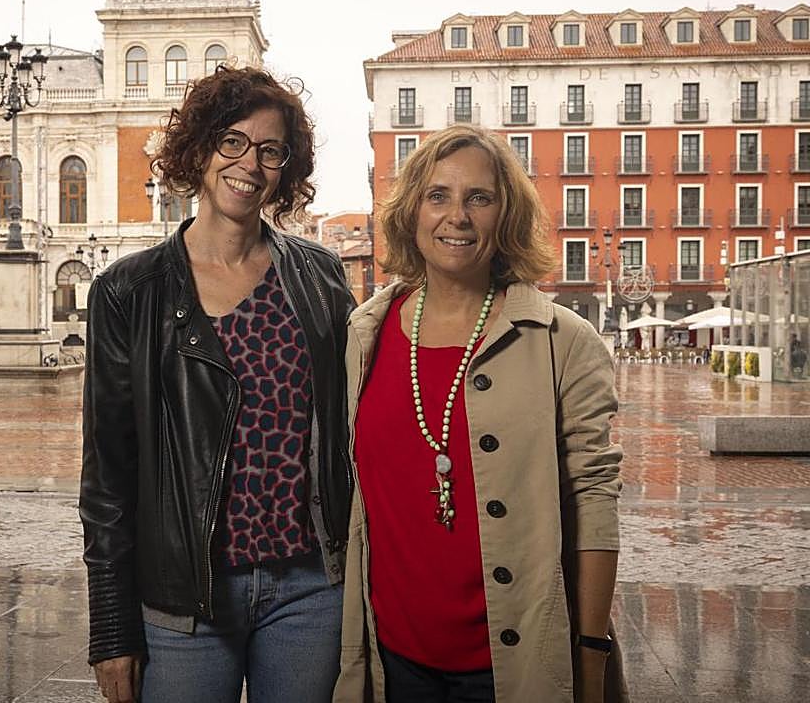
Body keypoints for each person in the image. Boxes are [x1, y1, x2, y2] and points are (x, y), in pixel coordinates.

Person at [81, 66, 355, 703]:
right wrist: (112, 627)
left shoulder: (319, 277)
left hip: (309, 589)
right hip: (183, 601)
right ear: (201, 149)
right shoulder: (129, 291)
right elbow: (108, 476)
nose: (249, 164)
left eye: (270, 150)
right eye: (232, 141)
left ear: (286, 167)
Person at [334, 125, 626, 703]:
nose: (457, 216)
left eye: (480, 198)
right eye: (437, 195)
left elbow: (594, 499)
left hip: (511, 663)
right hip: (394, 655)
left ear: (505, 215)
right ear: (412, 211)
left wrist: (591, 652)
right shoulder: (365, 334)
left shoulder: (560, 340)